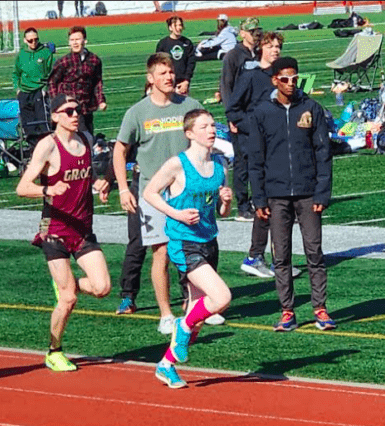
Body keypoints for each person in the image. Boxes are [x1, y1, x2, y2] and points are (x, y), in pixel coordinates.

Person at [109, 53, 204, 333]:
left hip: (186, 191)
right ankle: (165, 314)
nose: (169, 77)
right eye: (162, 73)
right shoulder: (137, 113)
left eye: (171, 72)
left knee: (194, 249)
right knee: (160, 252)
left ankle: (195, 305)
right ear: (150, 78)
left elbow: (206, 138)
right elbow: (119, 150)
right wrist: (124, 187)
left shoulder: (190, 106)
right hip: (153, 192)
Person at [16, 94, 111, 371]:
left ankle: (65, 284)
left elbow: (85, 174)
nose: (75, 114)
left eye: (77, 110)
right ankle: (54, 350)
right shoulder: (48, 146)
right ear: (55, 116)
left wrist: (98, 185)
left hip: (82, 228)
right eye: (68, 111)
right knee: (68, 298)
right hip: (55, 229)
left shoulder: (86, 139)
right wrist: (47, 190)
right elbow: (22, 187)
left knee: (102, 287)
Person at [246, 57, 336, 332]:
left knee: (314, 252)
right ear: (274, 80)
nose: (290, 83)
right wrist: (259, 198)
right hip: (276, 195)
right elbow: (255, 158)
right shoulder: (262, 112)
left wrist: (323, 193)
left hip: (308, 193)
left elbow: (324, 153)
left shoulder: (311, 108)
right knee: (281, 256)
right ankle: (287, 311)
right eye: (284, 78)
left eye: (294, 78)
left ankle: (320, 308)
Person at [145, 109, 233, 389]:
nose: (211, 130)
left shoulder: (220, 166)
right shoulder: (177, 164)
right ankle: (180, 326)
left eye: (212, 125)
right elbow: (150, 193)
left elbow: (221, 210)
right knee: (221, 297)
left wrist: (226, 202)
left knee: (199, 317)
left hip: (209, 241)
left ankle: (166, 365)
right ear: (189, 133)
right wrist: (176, 214)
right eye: (204, 126)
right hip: (184, 242)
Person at [225, 31, 284, 278]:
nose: (275, 50)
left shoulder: (282, 77)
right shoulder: (250, 76)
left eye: (278, 46)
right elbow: (233, 109)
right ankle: (256, 256)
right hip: (258, 148)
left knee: (279, 206)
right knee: (267, 204)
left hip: (280, 147)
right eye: (270, 46)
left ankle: (275, 260)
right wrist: (255, 127)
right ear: (261, 48)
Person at [220, 17, 259, 223]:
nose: (255, 34)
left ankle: (258, 200)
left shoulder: (259, 52)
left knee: (259, 159)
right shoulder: (233, 56)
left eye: (257, 30)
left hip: (258, 115)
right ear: (242, 33)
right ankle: (243, 206)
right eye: (251, 31)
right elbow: (226, 87)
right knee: (243, 161)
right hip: (240, 115)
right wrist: (231, 117)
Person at [47, 26, 106, 134]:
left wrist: (101, 100)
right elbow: (52, 82)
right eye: (72, 40)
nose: (75, 43)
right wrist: (57, 102)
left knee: (87, 137)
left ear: (85, 41)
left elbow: (97, 82)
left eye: (77, 39)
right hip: (68, 109)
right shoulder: (63, 62)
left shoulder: (94, 60)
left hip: (86, 107)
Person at [13, 27, 54, 140]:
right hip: (24, 93)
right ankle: (34, 151)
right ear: (25, 40)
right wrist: (17, 89)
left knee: (44, 124)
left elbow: (51, 73)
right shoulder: (21, 54)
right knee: (28, 126)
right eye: (30, 40)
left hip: (39, 92)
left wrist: (45, 89)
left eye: (36, 39)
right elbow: (16, 73)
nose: (34, 42)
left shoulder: (46, 53)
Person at [156, 16, 196, 96]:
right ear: (170, 27)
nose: (179, 28)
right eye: (175, 25)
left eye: (180, 25)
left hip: (182, 82)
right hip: (167, 81)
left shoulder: (187, 43)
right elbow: (158, 64)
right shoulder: (163, 44)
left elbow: (191, 63)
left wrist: (186, 81)